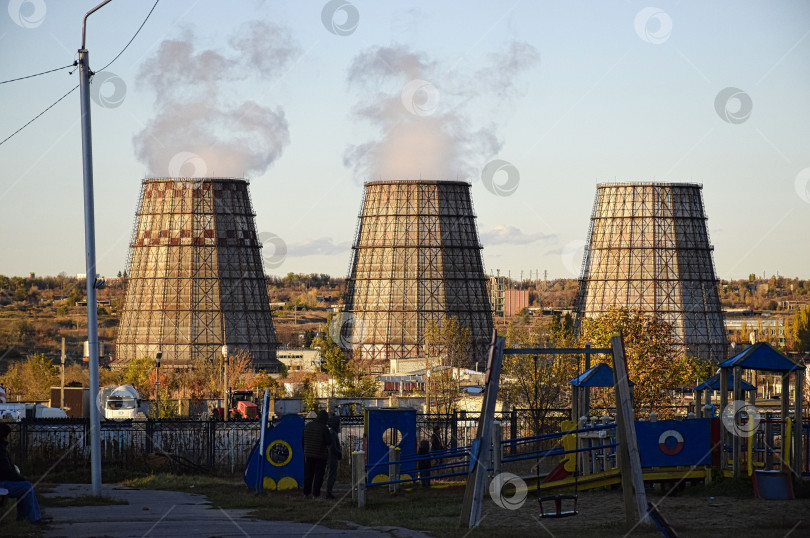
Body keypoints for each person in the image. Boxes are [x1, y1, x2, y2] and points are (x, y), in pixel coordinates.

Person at [0, 423, 42, 523]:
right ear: (4, 436)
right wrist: (21, 478)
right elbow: (6, 471)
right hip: (2, 483)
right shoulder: (1, 450)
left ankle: (26, 518)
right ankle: (31, 519)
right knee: (26, 487)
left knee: (25, 486)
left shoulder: (2, 449)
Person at [302, 410, 331, 498]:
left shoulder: (308, 426)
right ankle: (316, 493)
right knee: (319, 475)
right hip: (320, 455)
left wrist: (305, 450)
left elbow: (303, 440)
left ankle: (306, 493)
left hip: (308, 454)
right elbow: (329, 442)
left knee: (308, 474)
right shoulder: (323, 428)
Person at [324, 415, 342, 499]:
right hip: (332, 457)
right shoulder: (333, 433)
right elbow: (332, 447)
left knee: (332, 474)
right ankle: (328, 493)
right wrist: (339, 453)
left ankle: (329, 492)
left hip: (332, 456)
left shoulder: (332, 432)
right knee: (332, 475)